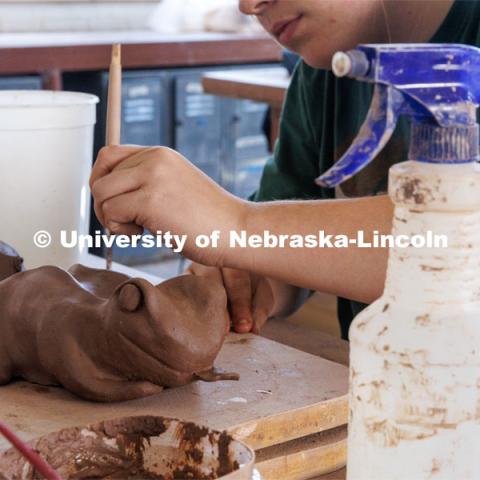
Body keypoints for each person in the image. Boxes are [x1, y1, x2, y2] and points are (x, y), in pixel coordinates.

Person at [90, 0, 479, 339]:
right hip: (382, 391)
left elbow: (464, 250)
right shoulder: (326, 68)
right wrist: (251, 276)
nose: (248, 5)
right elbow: (294, 233)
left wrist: (239, 225)